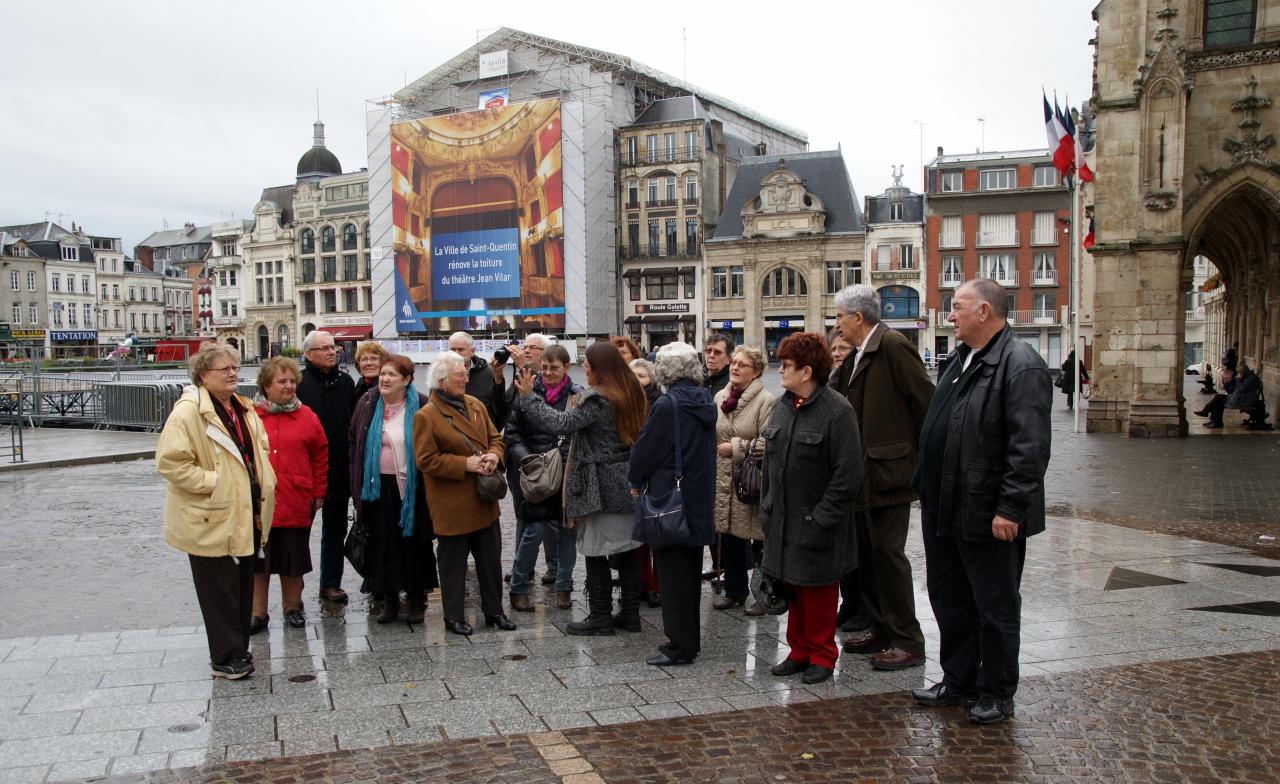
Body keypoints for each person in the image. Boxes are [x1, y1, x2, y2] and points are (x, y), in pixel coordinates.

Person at [911, 278, 1051, 725]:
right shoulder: (959, 360)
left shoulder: (1020, 364)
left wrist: (1011, 508)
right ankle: (958, 678)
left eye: (957, 306)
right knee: (950, 599)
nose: (949, 315)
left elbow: (1028, 448)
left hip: (988, 511)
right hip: (946, 506)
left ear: (985, 311)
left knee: (995, 606)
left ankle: (996, 689)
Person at [156, 343, 276, 679]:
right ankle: (225, 656)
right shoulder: (188, 412)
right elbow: (170, 463)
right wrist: (216, 482)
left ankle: (238, 650)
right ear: (203, 375)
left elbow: (258, 448)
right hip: (211, 514)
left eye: (235, 367)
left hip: (245, 509)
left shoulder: (242, 407)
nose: (233, 373)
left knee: (240, 585)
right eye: (224, 369)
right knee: (217, 589)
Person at [513, 342, 647, 636]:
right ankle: (630, 614)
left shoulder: (598, 399)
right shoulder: (631, 392)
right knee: (627, 551)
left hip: (599, 483)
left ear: (601, 368)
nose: (583, 367)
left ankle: (600, 615)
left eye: (587, 363)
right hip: (624, 480)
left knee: (595, 549)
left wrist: (528, 398)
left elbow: (561, 423)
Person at [833, 284, 933, 672]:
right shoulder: (860, 353)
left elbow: (925, 404)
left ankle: (908, 639)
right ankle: (881, 628)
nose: (837, 324)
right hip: (865, 473)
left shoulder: (891, 346)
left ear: (858, 317)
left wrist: (921, 464)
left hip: (888, 473)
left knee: (889, 557)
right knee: (870, 558)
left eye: (840, 316)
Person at [760, 333, 861, 685]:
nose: (780, 370)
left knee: (818, 592)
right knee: (792, 588)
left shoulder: (837, 411)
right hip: (783, 521)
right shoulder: (782, 406)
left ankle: (822, 655)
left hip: (817, 523)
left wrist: (821, 518)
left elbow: (847, 476)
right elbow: (769, 463)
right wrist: (767, 506)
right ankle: (799, 651)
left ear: (807, 372)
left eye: (786, 365)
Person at [627, 342, 717, 665]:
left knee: (672, 576)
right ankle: (689, 640)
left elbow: (644, 452)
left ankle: (680, 645)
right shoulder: (704, 399)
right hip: (697, 498)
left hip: (671, 500)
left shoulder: (668, 405)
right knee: (689, 575)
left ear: (663, 371)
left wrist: (635, 479)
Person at [413, 351, 514, 635]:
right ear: (442, 382)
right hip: (452, 502)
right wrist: (465, 464)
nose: (466, 378)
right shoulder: (427, 416)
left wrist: (494, 456)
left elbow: (496, 438)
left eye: (466, 374)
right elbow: (425, 460)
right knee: (453, 564)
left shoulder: (475, 405)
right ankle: (453, 616)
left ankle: (494, 611)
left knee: (490, 560)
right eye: (460, 375)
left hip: (483, 498)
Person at [350, 354, 437, 625]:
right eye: (383, 374)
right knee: (382, 545)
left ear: (407, 380)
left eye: (392, 375)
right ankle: (388, 600)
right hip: (376, 489)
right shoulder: (367, 403)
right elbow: (354, 440)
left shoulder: (421, 405)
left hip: (411, 489)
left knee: (412, 545)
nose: (384, 379)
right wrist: (357, 481)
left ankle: (415, 601)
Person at [251, 357, 328, 633]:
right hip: (260, 502)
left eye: (292, 381)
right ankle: (257, 613)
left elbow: (320, 455)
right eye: (281, 382)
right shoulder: (251, 415)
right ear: (266, 386)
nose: (289, 386)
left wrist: (319, 491)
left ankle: (292, 607)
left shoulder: (307, 416)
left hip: (296, 499)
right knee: (259, 561)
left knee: (293, 561)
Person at [506, 344, 581, 612]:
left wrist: (563, 457)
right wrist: (527, 460)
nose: (548, 373)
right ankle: (518, 587)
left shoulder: (576, 396)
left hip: (567, 473)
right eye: (545, 368)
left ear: (567, 368)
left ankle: (563, 586)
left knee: (567, 533)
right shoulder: (525, 394)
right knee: (533, 531)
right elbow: (512, 435)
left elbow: (577, 434)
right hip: (536, 474)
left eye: (554, 368)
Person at [710, 346, 774, 615]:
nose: (734, 368)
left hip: (752, 479)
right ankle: (735, 591)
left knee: (758, 541)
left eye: (742, 365)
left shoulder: (766, 400)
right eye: (734, 363)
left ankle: (763, 595)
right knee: (731, 537)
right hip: (725, 478)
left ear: (756, 371)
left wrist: (736, 448)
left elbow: (769, 442)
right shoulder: (720, 397)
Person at [296, 330, 356, 605]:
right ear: (309, 355)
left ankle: (330, 584)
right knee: (298, 536)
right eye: (325, 348)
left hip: (339, 470)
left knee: (334, 530)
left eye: (333, 346)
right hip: (305, 472)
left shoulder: (345, 382)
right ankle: (292, 593)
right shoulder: (298, 383)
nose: (332, 351)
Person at [502, 333, 557, 586]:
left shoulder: (549, 381)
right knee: (523, 512)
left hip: (547, 457)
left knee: (552, 516)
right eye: (524, 347)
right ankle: (522, 566)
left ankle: (554, 566)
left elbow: (547, 416)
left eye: (531, 348)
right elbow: (506, 413)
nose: (525, 351)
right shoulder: (519, 375)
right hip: (522, 458)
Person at [628, 356, 663, 608]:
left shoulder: (659, 403)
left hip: (654, 476)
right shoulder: (624, 402)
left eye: (641, 376)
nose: (636, 381)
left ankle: (657, 586)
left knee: (656, 535)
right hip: (630, 475)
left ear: (652, 379)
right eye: (633, 376)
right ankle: (641, 582)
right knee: (637, 535)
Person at [701, 332, 735, 584]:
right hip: (702, 457)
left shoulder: (730, 385)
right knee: (710, 514)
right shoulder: (700, 380)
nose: (711, 356)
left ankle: (728, 568)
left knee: (724, 515)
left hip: (724, 456)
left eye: (717, 352)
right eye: (708, 351)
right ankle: (716, 564)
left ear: (728, 357)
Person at [447, 331, 509, 432]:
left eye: (460, 349)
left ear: (472, 351)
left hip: (482, 439)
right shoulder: (440, 374)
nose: (456, 353)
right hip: (450, 439)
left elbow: (500, 411)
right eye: (453, 350)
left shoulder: (489, 374)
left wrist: (490, 434)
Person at [1197, 362, 1264, 428]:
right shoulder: (1246, 377)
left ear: (1244, 372)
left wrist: (1238, 379)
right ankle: (1212, 419)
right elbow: (1236, 389)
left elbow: (1241, 389)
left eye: (1240, 372)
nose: (1238, 374)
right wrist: (1226, 384)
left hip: (1245, 400)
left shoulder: (1251, 378)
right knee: (1218, 397)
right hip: (1239, 397)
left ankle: (1213, 419)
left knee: (1218, 402)